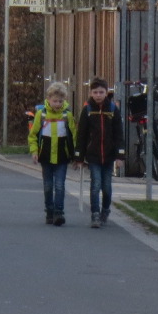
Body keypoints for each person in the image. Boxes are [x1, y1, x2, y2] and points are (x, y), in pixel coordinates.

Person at [75, 77, 125, 228]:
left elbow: (119, 134)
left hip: (109, 156)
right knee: (95, 185)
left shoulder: (113, 109)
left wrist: (120, 155)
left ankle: (105, 209)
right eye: (95, 92)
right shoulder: (88, 110)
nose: (98, 95)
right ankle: (95, 214)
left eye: (101, 92)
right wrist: (79, 157)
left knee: (107, 187)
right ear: (91, 93)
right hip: (93, 156)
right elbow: (81, 135)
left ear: (106, 92)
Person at [28, 82, 77, 226]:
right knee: (48, 185)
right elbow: (33, 135)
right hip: (46, 156)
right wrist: (34, 151)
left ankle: (58, 212)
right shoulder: (41, 115)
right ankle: (49, 210)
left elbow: (73, 136)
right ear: (48, 99)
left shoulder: (67, 115)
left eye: (60, 101)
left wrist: (76, 156)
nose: (57, 104)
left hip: (62, 156)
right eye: (55, 101)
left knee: (60, 185)